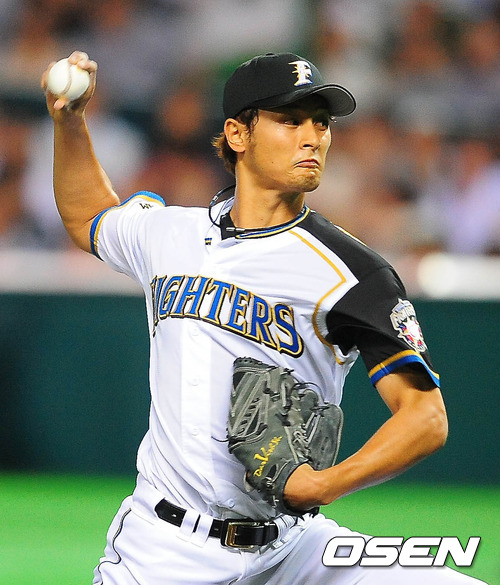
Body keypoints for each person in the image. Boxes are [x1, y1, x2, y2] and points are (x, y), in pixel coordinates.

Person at [42, 51, 487, 585]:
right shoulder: (170, 234)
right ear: (237, 134)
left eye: (320, 123)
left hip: (293, 548)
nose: (313, 137)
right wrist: (70, 121)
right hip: (164, 549)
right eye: (290, 120)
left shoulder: (352, 273)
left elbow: (426, 416)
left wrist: (325, 485)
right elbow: (88, 217)